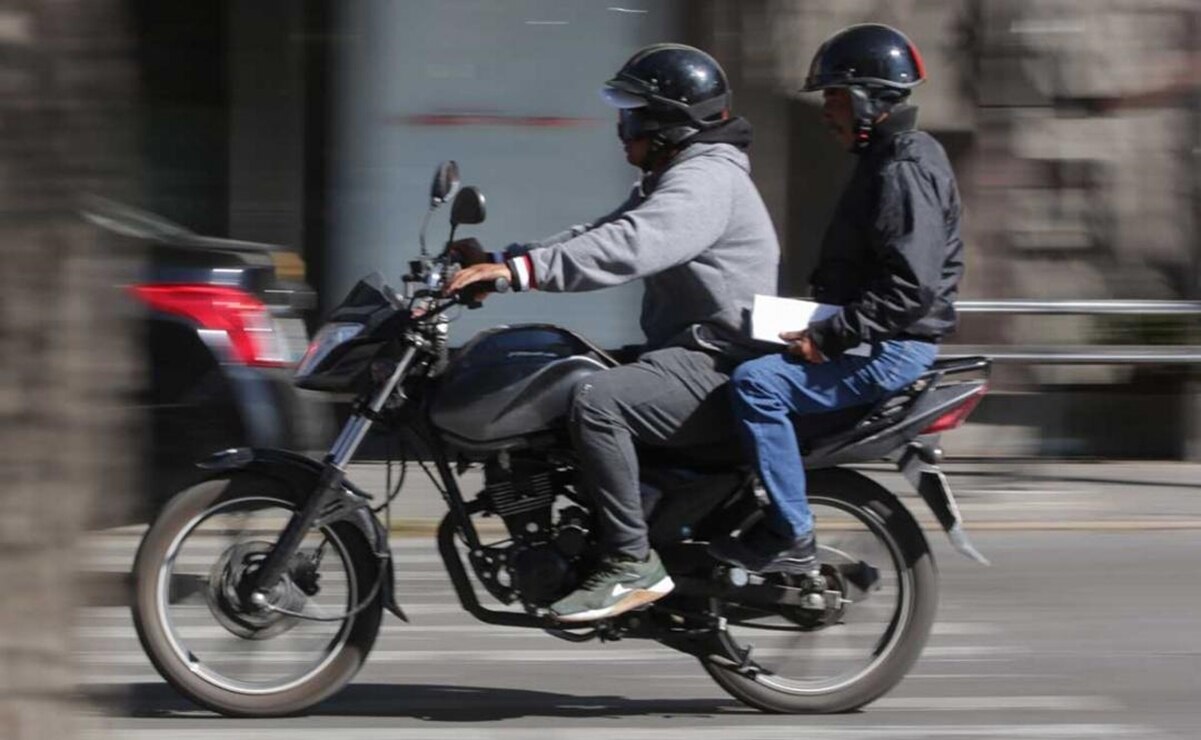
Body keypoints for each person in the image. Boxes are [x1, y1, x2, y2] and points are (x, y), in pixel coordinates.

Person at [446, 43, 780, 622]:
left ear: (670, 122)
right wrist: (504, 260)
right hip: (685, 352)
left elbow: (631, 246)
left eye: (632, 117)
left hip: (718, 361)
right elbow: (601, 231)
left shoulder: (706, 180)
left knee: (596, 400)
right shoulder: (677, 176)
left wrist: (518, 274)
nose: (622, 131)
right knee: (556, 370)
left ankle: (630, 564)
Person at [709, 24, 965, 574]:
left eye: (834, 97)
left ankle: (791, 534)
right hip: (871, 332)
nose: (826, 111)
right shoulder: (888, 157)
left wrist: (828, 336)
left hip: (892, 345)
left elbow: (910, 289)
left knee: (757, 387)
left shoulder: (903, 167)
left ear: (867, 99)